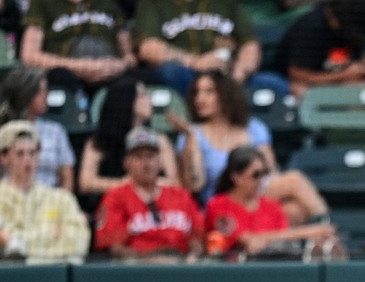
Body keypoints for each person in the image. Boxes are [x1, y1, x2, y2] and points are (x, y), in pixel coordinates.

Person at [178, 71, 330, 225]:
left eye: (209, 92)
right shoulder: (191, 134)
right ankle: (330, 230)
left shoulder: (253, 127)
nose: (200, 99)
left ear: (227, 94)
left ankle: (280, 246)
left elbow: (269, 171)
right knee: (294, 180)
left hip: (254, 193)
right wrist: (190, 139)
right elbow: (194, 185)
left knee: (293, 210)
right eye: (197, 92)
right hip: (220, 201)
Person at [0, 121, 90, 262]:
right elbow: (3, 246)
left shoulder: (62, 198)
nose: (28, 160)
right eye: (20, 154)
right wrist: (51, 234)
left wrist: (24, 244)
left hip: (55, 276)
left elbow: (78, 242)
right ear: (3, 157)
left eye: (32, 153)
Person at [132, 0, 289, 96]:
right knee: (171, 71)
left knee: (275, 85)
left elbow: (250, 44)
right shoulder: (154, 3)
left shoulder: (225, 3)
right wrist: (195, 61)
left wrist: (239, 73)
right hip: (187, 75)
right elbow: (148, 47)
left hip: (228, 76)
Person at [205, 145, 339, 257]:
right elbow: (248, 241)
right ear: (236, 177)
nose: (260, 180)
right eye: (255, 175)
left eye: (264, 174)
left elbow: (283, 240)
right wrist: (309, 232)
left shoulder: (271, 206)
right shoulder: (218, 205)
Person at [94, 127, 204, 261]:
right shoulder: (115, 197)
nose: (146, 164)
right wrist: (150, 261)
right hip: (138, 272)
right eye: (139, 157)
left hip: (181, 266)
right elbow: (115, 248)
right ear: (126, 163)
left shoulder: (181, 196)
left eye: (151, 156)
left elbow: (198, 240)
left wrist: (191, 258)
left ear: (160, 162)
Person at [0, 66, 77, 191]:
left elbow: (67, 179)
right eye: (41, 91)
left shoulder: (56, 131)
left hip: (50, 203)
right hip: (8, 201)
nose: (47, 96)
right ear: (26, 94)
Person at [78, 76, 185, 197]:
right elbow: (85, 183)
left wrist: (145, 182)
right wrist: (125, 185)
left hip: (151, 206)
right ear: (125, 101)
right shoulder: (99, 141)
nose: (149, 99)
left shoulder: (159, 140)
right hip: (111, 205)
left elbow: (175, 183)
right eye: (142, 95)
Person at [18, 0, 135, 94]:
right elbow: (29, 56)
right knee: (58, 77)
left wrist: (119, 65)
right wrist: (80, 66)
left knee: (134, 82)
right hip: (67, 75)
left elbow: (129, 56)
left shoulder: (108, 3)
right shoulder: (42, 3)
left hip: (111, 73)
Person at [274, 0, 365, 97]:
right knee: (301, 91)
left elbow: (352, 58)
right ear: (336, 22)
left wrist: (364, 64)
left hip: (339, 79)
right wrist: (344, 75)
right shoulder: (311, 27)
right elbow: (297, 75)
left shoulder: (357, 23)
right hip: (304, 82)